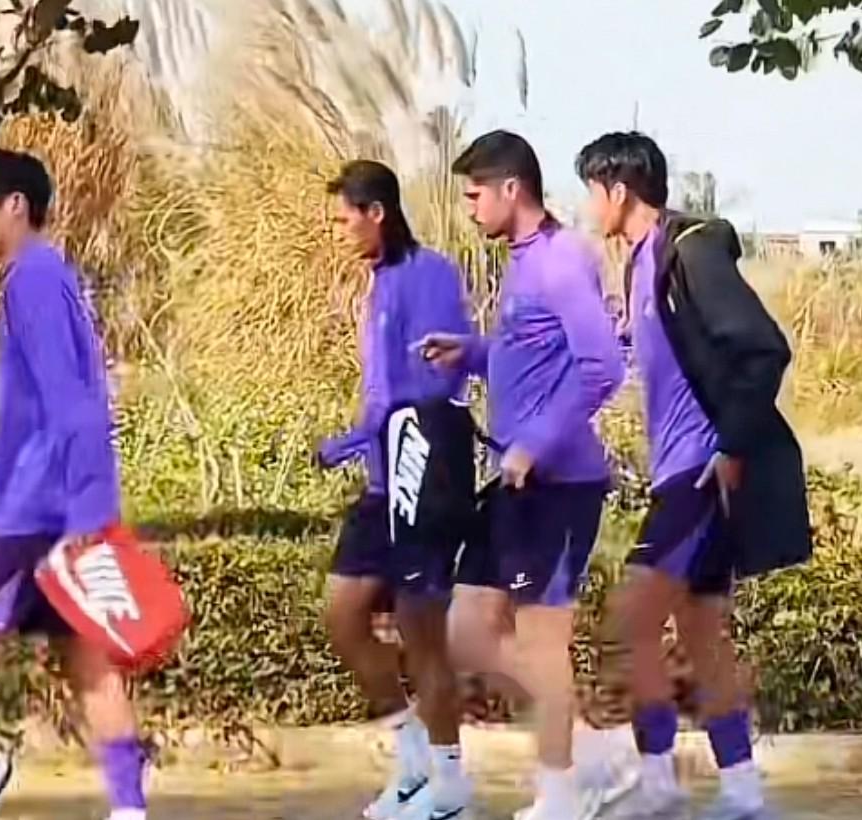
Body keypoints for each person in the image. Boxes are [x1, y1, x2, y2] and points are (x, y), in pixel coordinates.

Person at [573, 132, 811, 820]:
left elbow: (764, 349)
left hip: (702, 473)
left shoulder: (690, 252)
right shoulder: (641, 265)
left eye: (591, 192)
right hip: (677, 472)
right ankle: (742, 793)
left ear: (618, 191)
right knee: (702, 635)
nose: (588, 207)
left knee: (629, 621)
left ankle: (656, 778)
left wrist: (729, 445)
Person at [0, 150, 146, 820]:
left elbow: (72, 404)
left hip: (38, 511)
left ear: (14, 205)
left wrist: (84, 512)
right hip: (47, 503)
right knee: (87, 660)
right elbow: (19, 422)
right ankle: (130, 812)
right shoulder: (45, 279)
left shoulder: (36, 280)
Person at [420, 130, 626, 820]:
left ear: (512, 189)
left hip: (559, 487)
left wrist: (535, 443)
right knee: (465, 633)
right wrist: (473, 352)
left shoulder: (561, 261)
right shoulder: (524, 260)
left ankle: (562, 794)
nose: (469, 207)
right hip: (515, 484)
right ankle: (591, 748)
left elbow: (603, 367)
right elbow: (532, 354)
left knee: (541, 642)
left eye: (475, 194)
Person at [317, 159, 475, 820]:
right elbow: (384, 391)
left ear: (375, 212)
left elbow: (440, 380)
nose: (339, 231)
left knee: (421, 628)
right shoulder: (378, 283)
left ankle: (450, 785)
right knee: (343, 614)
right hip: (383, 483)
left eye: (344, 219)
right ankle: (412, 763)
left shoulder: (429, 274)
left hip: (424, 476)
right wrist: (356, 440)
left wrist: (371, 431)